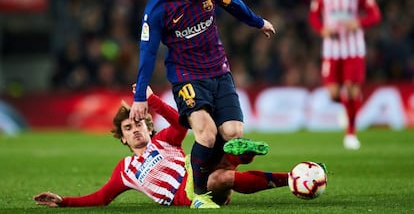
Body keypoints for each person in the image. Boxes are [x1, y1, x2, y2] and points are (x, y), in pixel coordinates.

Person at [129, 0, 276, 207]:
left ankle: (212, 166)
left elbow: (235, 5)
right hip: (186, 77)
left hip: (219, 71)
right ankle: (199, 193)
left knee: (233, 132)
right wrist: (140, 97)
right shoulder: (157, 10)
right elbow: (147, 54)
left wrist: (257, 22)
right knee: (206, 134)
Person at [33, 87, 290, 208]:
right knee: (221, 176)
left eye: (138, 125)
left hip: (197, 170)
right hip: (186, 194)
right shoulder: (125, 170)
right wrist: (64, 201)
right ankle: (272, 172)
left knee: (215, 145)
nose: (135, 131)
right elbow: (101, 198)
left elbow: (181, 125)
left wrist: (153, 100)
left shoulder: (163, 140)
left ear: (149, 127)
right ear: (122, 138)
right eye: (128, 129)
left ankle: (242, 155)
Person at [308, 0, 381, 150]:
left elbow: (375, 14)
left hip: (354, 49)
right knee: (333, 94)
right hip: (331, 50)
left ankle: (351, 134)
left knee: (350, 88)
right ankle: (350, 106)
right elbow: (314, 16)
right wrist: (322, 29)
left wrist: (359, 22)